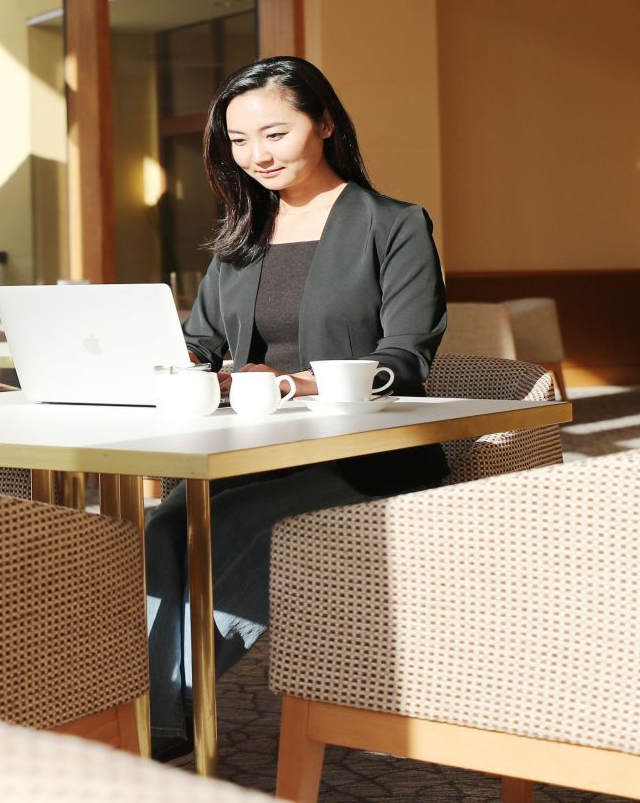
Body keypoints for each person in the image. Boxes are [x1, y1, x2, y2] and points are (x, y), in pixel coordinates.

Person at [146, 55, 449, 760]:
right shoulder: (242, 235)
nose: (257, 155)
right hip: (252, 443)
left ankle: (160, 727)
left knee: (238, 521)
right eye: (239, 141)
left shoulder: (394, 224)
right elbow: (201, 339)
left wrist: (294, 383)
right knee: (166, 524)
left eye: (274, 133)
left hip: (363, 456)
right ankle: (148, 706)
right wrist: (181, 362)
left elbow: (407, 357)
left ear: (326, 122)